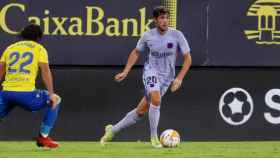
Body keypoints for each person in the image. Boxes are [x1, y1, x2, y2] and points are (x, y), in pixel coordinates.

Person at [100, 6, 192, 148]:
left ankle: (113, 130)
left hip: (167, 77)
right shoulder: (147, 35)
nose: (165, 21)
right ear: (155, 20)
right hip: (151, 72)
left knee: (141, 111)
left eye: (167, 18)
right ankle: (154, 137)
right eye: (161, 18)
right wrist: (125, 71)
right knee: (156, 98)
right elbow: (136, 52)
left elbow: (188, 59)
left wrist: (179, 78)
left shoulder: (177, 35)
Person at [0, 24, 61, 148]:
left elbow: (1, 71)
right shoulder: (39, 48)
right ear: (38, 37)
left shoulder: (10, 48)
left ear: (23, 35)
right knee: (56, 100)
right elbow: (45, 71)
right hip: (27, 95)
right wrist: (51, 93)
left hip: (6, 93)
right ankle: (43, 137)